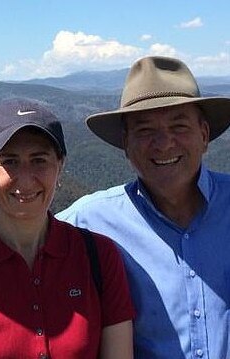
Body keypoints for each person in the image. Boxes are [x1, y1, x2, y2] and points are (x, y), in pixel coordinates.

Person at [56, 56, 230, 359]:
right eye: (146, 130)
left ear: (204, 135)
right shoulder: (90, 221)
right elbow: (24, 247)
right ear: (126, 143)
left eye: (178, 125)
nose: (164, 144)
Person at [0, 98, 134, 359]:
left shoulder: (99, 256)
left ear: (60, 166)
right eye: (9, 161)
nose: (26, 179)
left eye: (39, 160)